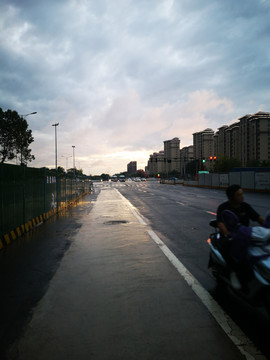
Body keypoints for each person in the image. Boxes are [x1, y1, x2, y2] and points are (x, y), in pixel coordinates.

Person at [216, 184, 265, 289]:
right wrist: (227, 234)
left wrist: (267, 227)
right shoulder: (223, 207)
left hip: (246, 235)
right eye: (239, 195)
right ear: (231, 197)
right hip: (231, 237)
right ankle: (233, 271)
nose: (242, 197)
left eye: (242, 194)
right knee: (229, 248)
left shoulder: (245, 206)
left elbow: (258, 218)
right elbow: (221, 223)